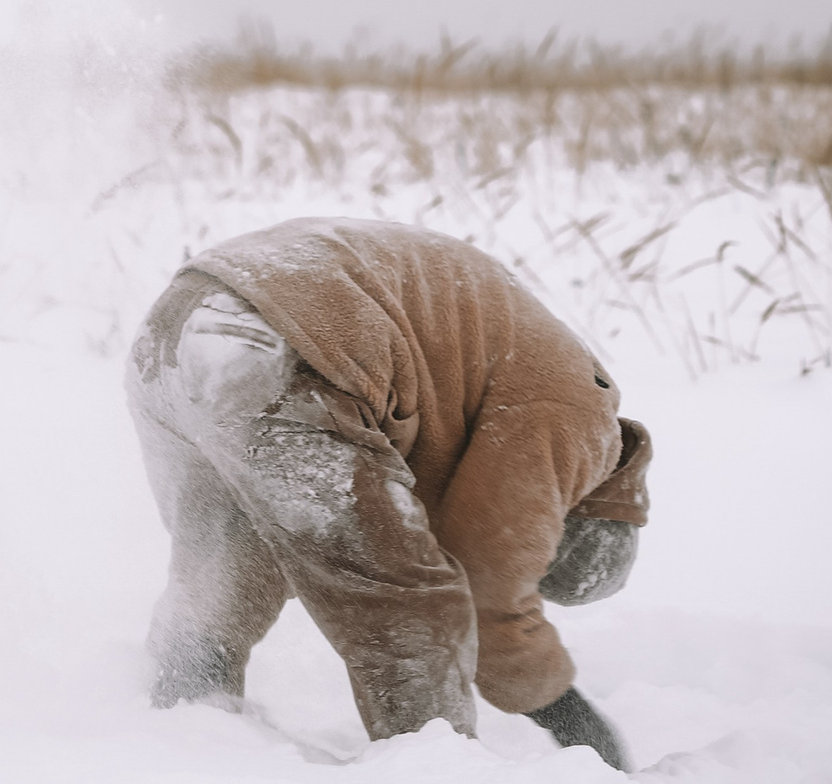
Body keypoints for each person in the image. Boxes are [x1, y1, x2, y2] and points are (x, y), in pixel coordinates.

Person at [125, 217, 650, 770]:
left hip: (180, 326)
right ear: (580, 515)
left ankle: (175, 738)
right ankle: (434, 771)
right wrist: (575, 723)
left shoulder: (531, 359)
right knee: (406, 603)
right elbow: (488, 588)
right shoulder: (580, 420)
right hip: (288, 336)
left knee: (229, 569)